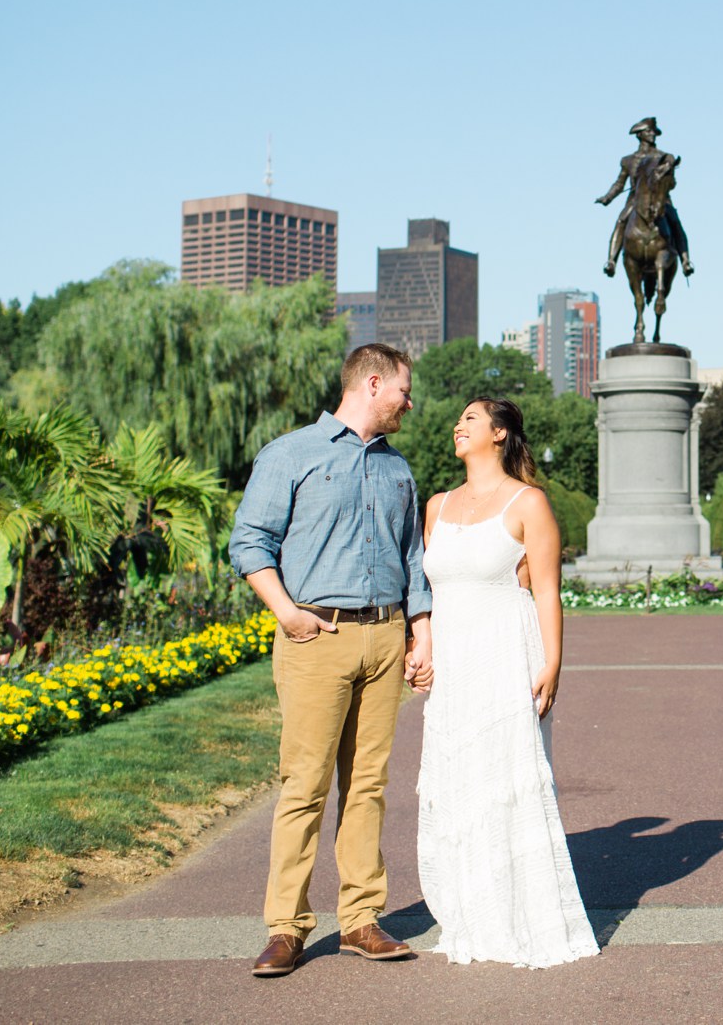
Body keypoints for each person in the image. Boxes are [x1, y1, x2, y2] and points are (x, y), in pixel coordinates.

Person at [230, 343, 434, 979]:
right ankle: (285, 928)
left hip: (385, 636)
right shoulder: (291, 454)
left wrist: (419, 634)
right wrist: (286, 612)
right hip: (316, 637)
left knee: (368, 784)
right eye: (404, 390)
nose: (410, 401)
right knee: (305, 785)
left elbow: (412, 562)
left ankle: (361, 920)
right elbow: (250, 540)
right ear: (373, 384)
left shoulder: (399, 470)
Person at [415, 396, 598, 967]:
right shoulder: (437, 505)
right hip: (453, 664)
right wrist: (421, 645)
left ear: (498, 434)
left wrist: (553, 663)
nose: (457, 427)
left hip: (503, 656)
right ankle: (468, 911)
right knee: (458, 781)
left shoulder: (529, 503)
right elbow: (427, 588)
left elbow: (546, 589)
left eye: (469, 419)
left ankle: (518, 913)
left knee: (504, 779)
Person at [597, 116, 693, 278]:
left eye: (654, 132)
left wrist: (667, 176)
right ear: (639, 134)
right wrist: (607, 198)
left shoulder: (665, 157)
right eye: (648, 131)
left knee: (675, 222)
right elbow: (620, 184)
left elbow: (672, 184)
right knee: (621, 221)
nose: (652, 135)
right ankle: (611, 261)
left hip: (662, 200)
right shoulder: (628, 160)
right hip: (635, 201)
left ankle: (685, 261)